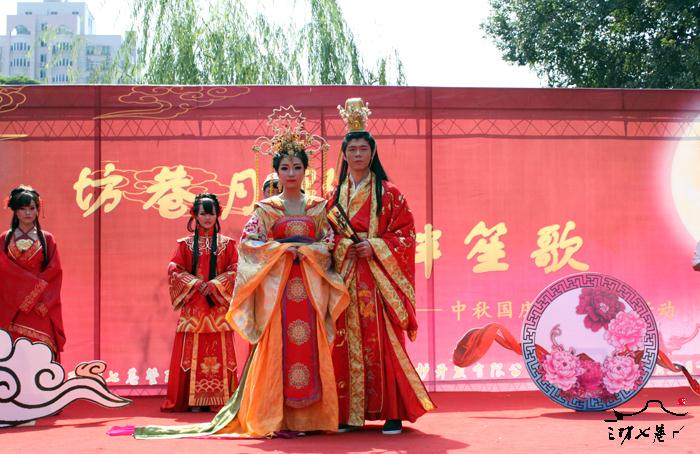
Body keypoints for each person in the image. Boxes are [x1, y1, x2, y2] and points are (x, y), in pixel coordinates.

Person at [134, 106, 348, 438]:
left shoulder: (318, 207)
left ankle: (312, 418)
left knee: (309, 346)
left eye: (297, 167)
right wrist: (282, 250)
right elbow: (249, 243)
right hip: (278, 291)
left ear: (306, 171)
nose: (291, 173)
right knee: (277, 348)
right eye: (285, 168)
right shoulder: (266, 209)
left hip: (309, 288)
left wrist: (307, 251)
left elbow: (330, 241)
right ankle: (274, 415)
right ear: (277, 172)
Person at [329, 99, 435, 435]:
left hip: (378, 280)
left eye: (363, 149)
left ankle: (393, 413)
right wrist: (345, 246)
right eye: (352, 149)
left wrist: (373, 246)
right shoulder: (334, 196)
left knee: (386, 344)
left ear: (373, 153)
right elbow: (325, 235)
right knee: (345, 345)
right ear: (344, 155)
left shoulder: (389, 194)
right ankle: (349, 414)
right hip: (346, 276)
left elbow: (405, 235)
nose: (358, 154)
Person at [161, 193, 239, 412]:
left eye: (211, 213)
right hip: (194, 306)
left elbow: (236, 270)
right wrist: (195, 283)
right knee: (190, 352)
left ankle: (220, 400)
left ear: (218, 215)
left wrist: (214, 284)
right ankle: (191, 400)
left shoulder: (228, 244)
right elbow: (174, 269)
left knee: (219, 351)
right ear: (195, 215)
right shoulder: (185, 245)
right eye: (203, 213)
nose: (207, 218)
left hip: (217, 307)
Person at [0, 185, 65, 359]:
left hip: (38, 307)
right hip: (11, 308)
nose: (28, 212)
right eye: (23, 208)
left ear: (38, 209)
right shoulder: (5, 239)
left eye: (32, 208)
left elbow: (54, 272)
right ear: (15, 211)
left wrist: (37, 299)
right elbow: (2, 272)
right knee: (12, 354)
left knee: (41, 354)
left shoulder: (47, 239)